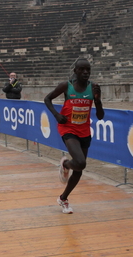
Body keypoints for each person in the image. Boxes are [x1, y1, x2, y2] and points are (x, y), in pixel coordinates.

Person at [44, 58, 104, 214]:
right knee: (81, 162)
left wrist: (98, 101)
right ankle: (65, 165)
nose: (85, 72)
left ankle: (63, 198)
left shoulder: (93, 88)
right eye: (82, 69)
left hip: (84, 130)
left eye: (88, 70)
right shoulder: (67, 86)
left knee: (79, 169)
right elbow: (47, 99)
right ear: (75, 71)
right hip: (68, 128)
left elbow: (101, 116)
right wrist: (56, 115)